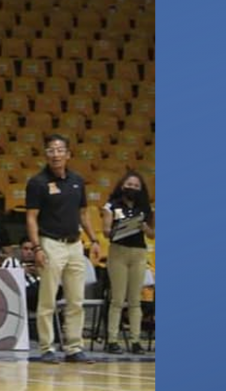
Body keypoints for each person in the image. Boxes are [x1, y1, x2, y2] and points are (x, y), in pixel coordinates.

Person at [24, 134, 101, 364]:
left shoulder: (77, 180)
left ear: (68, 154)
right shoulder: (37, 182)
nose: (55, 154)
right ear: (46, 154)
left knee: (76, 299)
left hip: (75, 244)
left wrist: (94, 239)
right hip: (50, 243)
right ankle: (47, 347)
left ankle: (74, 348)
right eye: (51, 150)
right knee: (47, 299)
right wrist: (37, 246)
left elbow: (84, 214)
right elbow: (31, 218)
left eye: (60, 150)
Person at [101, 170, 154, 355]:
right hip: (118, 251)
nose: (132, 188)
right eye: (129, 184)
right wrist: (120, 227)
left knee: (135, 300)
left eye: (136, 186)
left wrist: (143, 226)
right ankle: (112, 340)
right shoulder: (111, 205)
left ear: (141, 189)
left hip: (139, 253)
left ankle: (136, 340)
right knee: (117, 299)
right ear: (122, 185)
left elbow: (152, 234)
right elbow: (106, 232)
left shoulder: (145, 208)